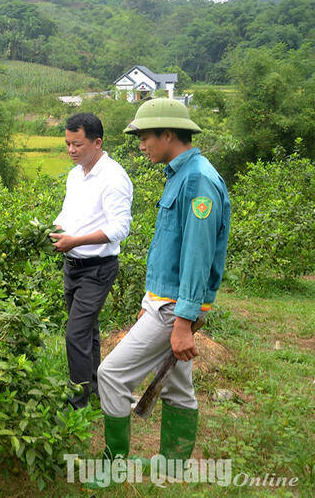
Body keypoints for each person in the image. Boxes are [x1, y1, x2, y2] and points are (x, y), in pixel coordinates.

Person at [96, 99, 231, 478]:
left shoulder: (198, 180)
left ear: (167, 135)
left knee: (111, 374)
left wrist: (183, 322)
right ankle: (172, 466)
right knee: (175, 384)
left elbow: (196, 257)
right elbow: (168, 249)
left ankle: (114, 466)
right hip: (165, 301)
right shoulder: (180, 175)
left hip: (175, 308)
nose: (141, 145)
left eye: (144, 137)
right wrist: (148, 299)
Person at [50, 113, 133, 409]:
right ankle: (95, 388)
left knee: (75, 334)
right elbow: (68, 215)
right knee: (88, 332)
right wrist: (54, 231)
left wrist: (76, 241)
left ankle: (77, 402)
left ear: (97, 143)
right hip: (72, 266)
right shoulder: (76, 174)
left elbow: (119, 229)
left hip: (97, 269)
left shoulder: (113, 178)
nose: (71, 150)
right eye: (68, 144)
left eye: (78, 144)